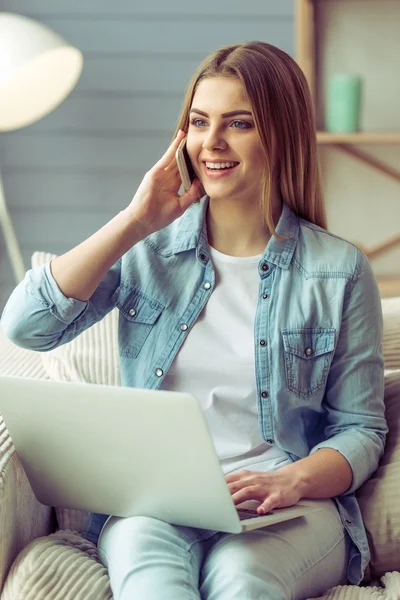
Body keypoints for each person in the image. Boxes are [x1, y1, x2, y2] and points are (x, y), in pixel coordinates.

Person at [0, 41, 387, 600]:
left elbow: (360, 428)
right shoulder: (147, 251)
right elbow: (25, 327)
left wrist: (291, 479)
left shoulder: (338, 270)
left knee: (241, 580)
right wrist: (135, 220)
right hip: (155, 501)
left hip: (288, 507)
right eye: (200, 122)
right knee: (152, 584)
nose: (213, 143)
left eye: (239, 123)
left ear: (282, 134)